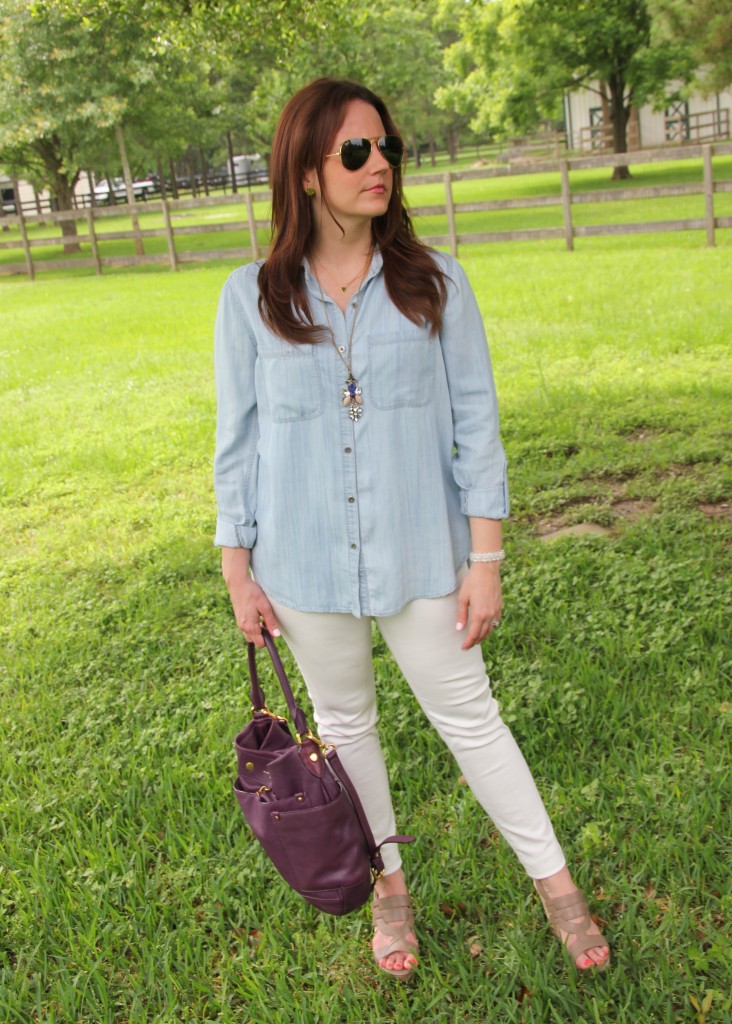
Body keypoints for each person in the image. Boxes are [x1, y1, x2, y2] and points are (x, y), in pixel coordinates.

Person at [213, 77, 610, 979]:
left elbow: (478, 427)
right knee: (345, 728)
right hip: (303, 565)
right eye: (356, 151)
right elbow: (235, 445)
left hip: (424, 557)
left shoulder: (432, 284)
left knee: (474, 721)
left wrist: (487, 559)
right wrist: (239, 570)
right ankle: (388, 892)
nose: (379, 163)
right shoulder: (252, 298)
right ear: (307, 172)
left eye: (387, 146)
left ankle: (559, 890)